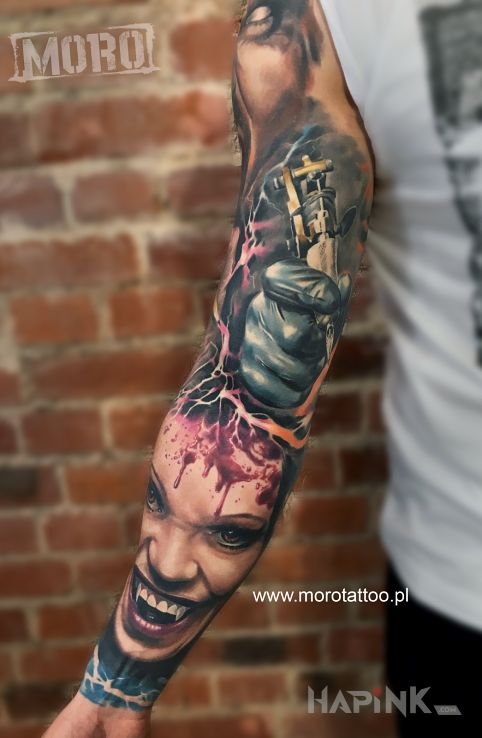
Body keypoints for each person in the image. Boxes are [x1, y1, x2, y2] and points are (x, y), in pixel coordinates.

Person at [43, 1, 482, 737]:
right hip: (457, 581)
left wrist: (120, 676)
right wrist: (121, 678)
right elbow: (241, 393)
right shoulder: (317, 24)